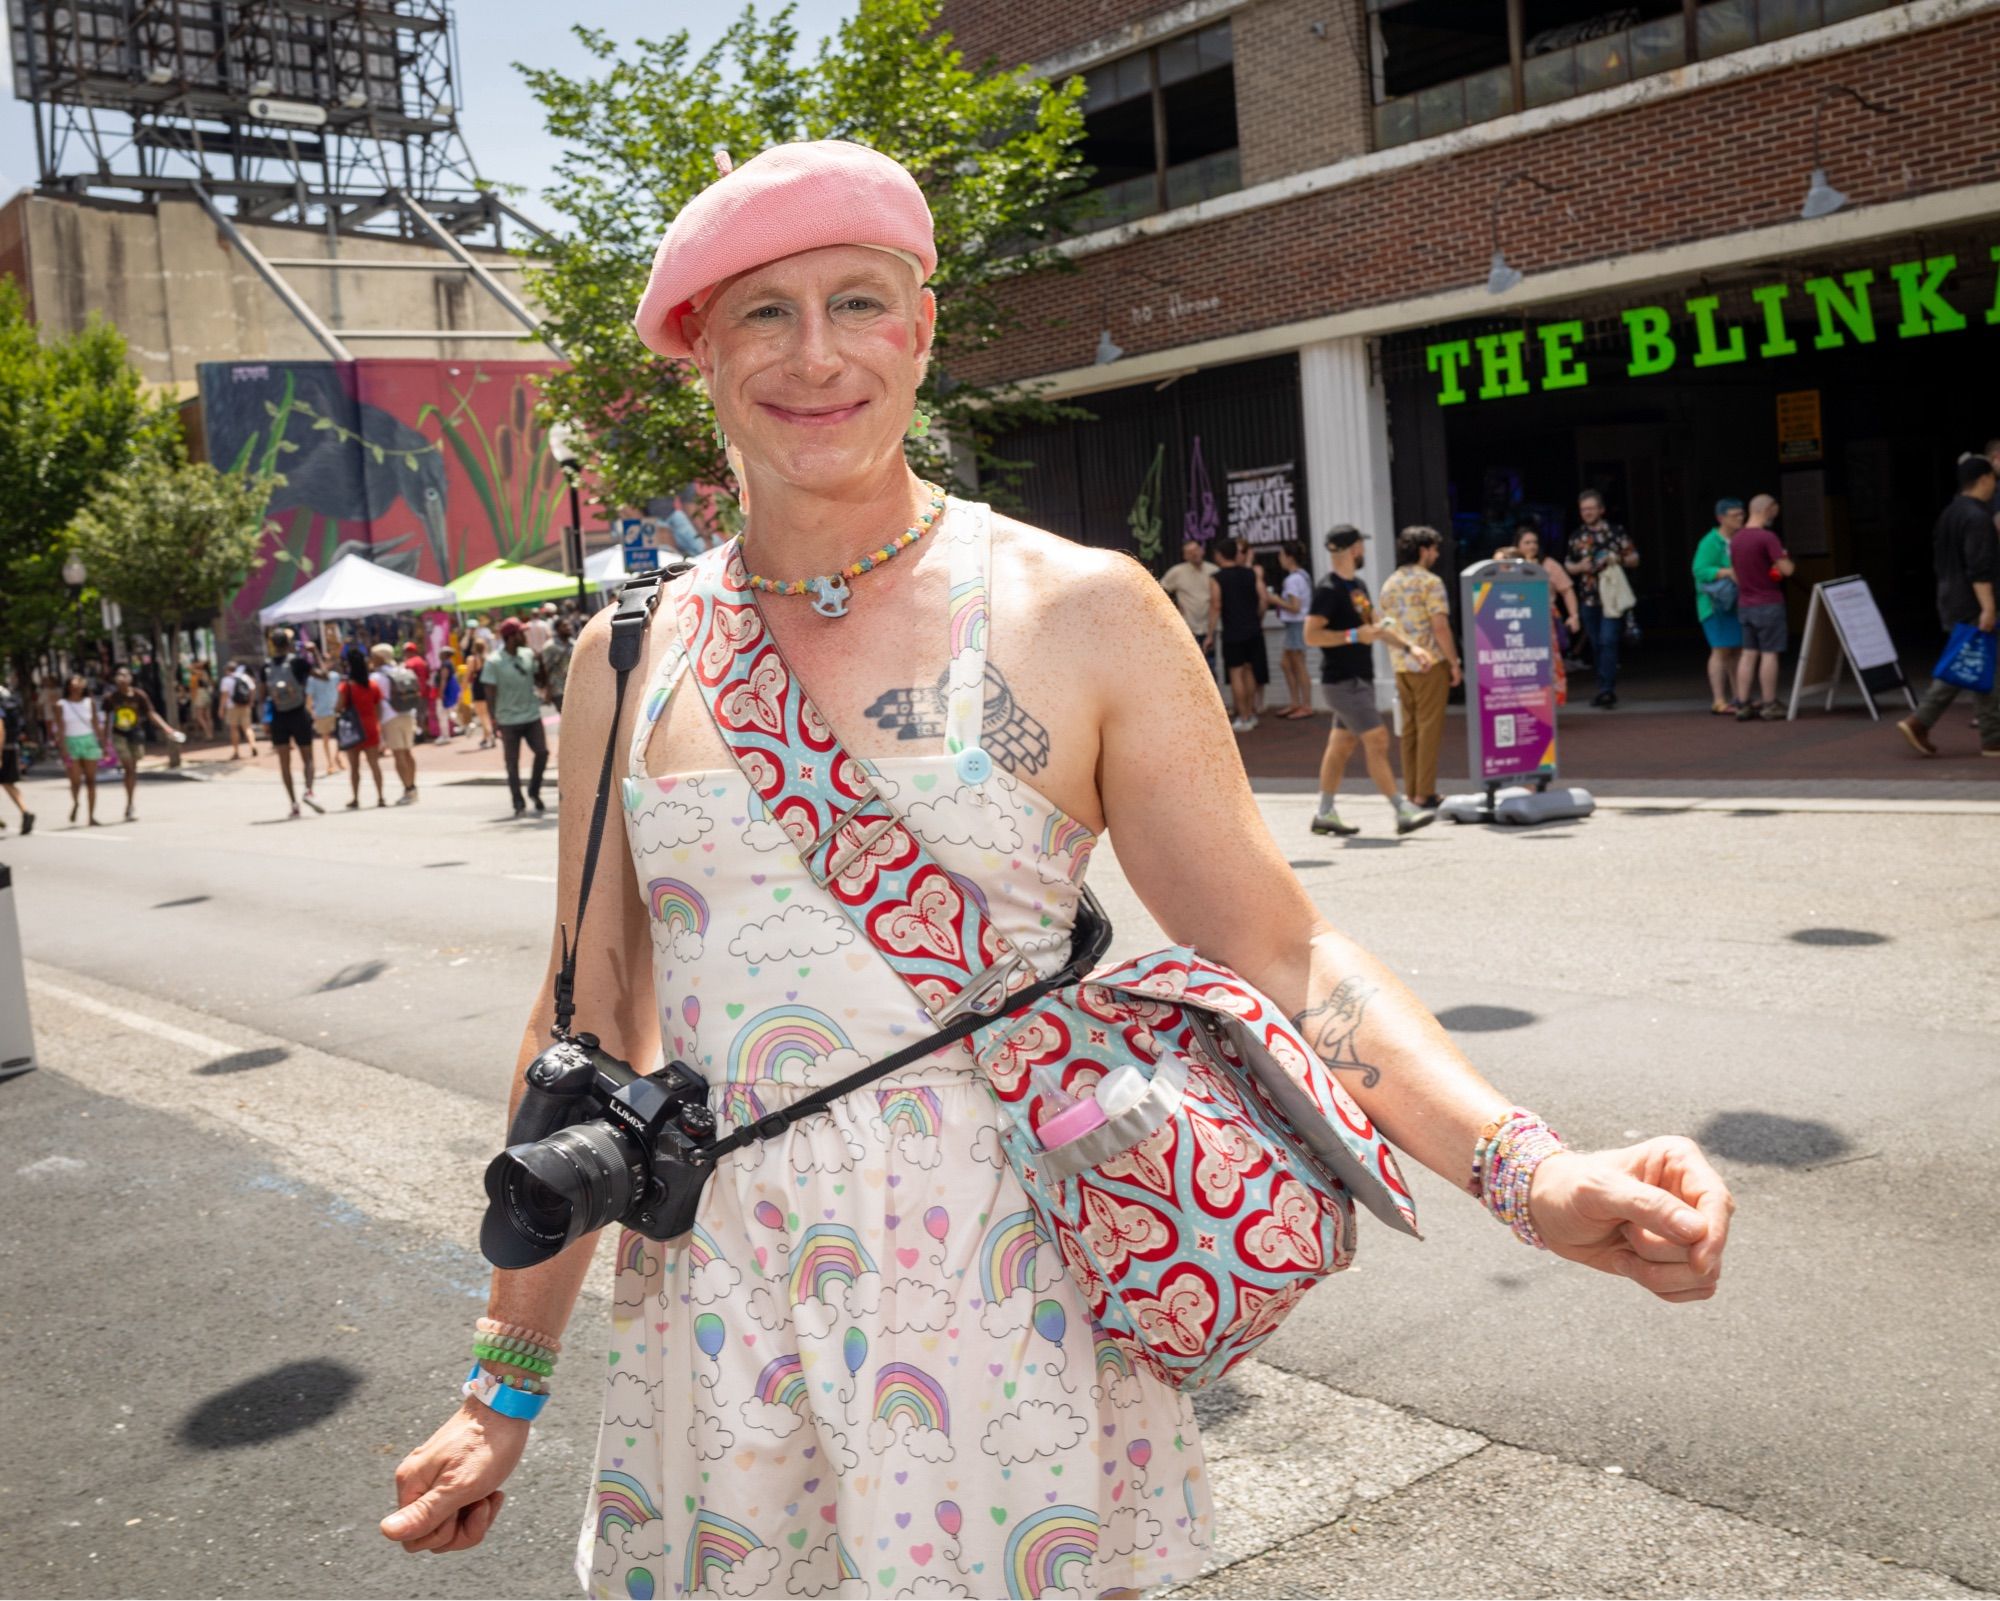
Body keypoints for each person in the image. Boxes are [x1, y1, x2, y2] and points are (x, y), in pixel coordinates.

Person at [379, 139, 1734, 1590]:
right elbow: (585, 1033)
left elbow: (1278, 950)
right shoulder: (625, 657)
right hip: (722, 1312)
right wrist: (500, 1385)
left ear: (923, 329)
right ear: (699, 349)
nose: (817, 352)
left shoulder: (1078, 611)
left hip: (1007, 1288)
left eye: (860, 301)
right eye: (763, 312)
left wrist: (1528, 1171)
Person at [1304, 526, 1437, 837]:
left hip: (1356, 679)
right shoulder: (1328, 590)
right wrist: (1352, 635)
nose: (1363, 551)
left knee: (1340, 746)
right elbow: (1311, 635)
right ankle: (1402, 810)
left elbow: (1375, 626)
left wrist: (1410, 647)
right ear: (1353, 549)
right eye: (1361, 545)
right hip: (1343, 682)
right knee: (1376, 739)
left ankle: (1325, 812)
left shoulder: (1356, 586)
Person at [1898, 453, 2000, 757]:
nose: (1995, 486)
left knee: (1973, 663)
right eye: (1994, 479)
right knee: (1979, 665)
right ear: (1983, 480)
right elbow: (1978, 567)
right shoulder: (1977, 518)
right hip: (1972, 602)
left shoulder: (1949, 514)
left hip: (1949, 598)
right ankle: (1925, 721)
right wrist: (1988, 607)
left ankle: (1987, 735)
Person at [1378, 526, 1460, 810]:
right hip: (1429, 663)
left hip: (1401, 664)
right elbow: (1440, 627)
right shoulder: (1431, 582)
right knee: (1429, 729)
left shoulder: (1389, 583)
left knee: (1409, 730)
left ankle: (1412, 791)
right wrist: (1454, 662)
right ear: (1423, 550)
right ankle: (1425, 793)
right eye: (1434, 549)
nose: (1436, 554)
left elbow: (1384, 625)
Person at [1565, 490, 1639, 708]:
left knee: (1608, 640)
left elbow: (1635, 558)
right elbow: (1568, 564)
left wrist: (1617, 559)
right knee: (1597, 644)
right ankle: (1603, 686)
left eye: (1591, 508)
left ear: (1601, 510)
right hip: (1588, 598)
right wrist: (1580, 567)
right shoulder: (1577, 536)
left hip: (1612, 598)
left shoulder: (1616, 533)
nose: (1587, 513)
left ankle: (1607, 690)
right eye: (1583, 509)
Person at [1728, 494, 1794, 722]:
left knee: (1748, 654)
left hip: (1745, 603)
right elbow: (1787, 570)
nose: (1775, 516)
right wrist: (1783, 559)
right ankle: (1769, 703)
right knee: (1769, 655)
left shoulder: (1736, 539)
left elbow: (1735, 573)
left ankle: (1742, 703)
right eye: (1775, 511)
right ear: (1767, 509)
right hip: (1769, 602)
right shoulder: (1768, 538)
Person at [482, 616, 549, 817]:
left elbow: (540, 680)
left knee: (542, 752)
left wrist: (541, 662)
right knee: (512, 763)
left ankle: (534, 791)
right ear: (511, 637)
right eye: (521, 632)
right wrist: (494, 721)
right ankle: (518, 802)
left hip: (531, 715)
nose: (525, 636)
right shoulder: (494, 662)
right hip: (508, 720)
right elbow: (489, 694)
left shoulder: (528, 654)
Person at [101, 665, 185, 822]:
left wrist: (167, 729)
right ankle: (130, 803)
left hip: (135, 734)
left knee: (132, 770)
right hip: (119, 735)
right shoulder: (111, 698)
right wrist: (105, 744)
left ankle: (130, 803)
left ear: (130, 678)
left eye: (125, 675)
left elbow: (151, 713)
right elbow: (106, 721)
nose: (122, 678)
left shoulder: (139, 695)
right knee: (127, 766)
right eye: (119, 675)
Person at [1209, 535, 1269, 730]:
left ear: (1219, 555)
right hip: (1253, 630)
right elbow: (1263, 600)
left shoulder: (1217, 578)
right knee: (1250, 671)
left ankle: (1242, 717)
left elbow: (1216, 605)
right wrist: (1257, 618)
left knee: (1236, 673)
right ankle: (1250, 714)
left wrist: (1210, 633)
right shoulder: (1251, 574)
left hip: (1233, 632)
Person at [262, 629, 323, 818]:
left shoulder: (266, 666)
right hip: (298, 714)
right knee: (308, 758)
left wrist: (265, 719)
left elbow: (262, 695)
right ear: (289, 643)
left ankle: (294, 804)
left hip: (278, 717)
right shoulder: (298, 662)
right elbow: (324, 675)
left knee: (284, 763)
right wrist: (315, 653)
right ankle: (308, 790)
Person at [1692, 499, 1745, 716]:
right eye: (1735, 515)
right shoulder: (1710, 542)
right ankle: (1719, 700)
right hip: (1714, 604)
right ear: (1721, 518)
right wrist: (1727, 572)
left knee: (1738, 649)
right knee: (1720, 650)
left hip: (1735, 603)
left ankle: (1740, 696)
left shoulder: (1740, 539)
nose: (1740, 518)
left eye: (1742, 514)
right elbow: (1699, 570)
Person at [336, 646, 387, 809]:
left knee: (354, 768)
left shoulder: (346, 687)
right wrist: (376, 724)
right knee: (374, 765)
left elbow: (338, 707)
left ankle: (356, 798)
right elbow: (379, 708)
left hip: (353, 730)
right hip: (371, 727)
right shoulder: (372, 685)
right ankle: (380, 797)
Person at [370, 642, 421, 804]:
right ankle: (412, 787)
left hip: (389, 717)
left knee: (398, 754)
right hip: (408, 713)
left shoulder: (376, 677)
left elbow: (374, 701)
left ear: (380, 658)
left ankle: (408, 789)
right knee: (408, 752)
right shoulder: (402, 670)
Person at [1273, 540, 1316, 718]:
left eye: (1282, 555)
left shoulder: (1292, 579)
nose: (1279, 559)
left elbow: (1295, 606)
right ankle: (1296, 702)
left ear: (1289, 557)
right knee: (1287, 663)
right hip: (1298, 624)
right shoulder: (1303, 575)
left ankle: (1304, 705)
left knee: (1298, 664)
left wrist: (1274, 600)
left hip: (1296, 624)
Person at [57, 674, 104, 826]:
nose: (77, 684)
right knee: (75, 781)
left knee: (91, 781)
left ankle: (91, 816)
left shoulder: (90, 702)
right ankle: (76, 802)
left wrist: (104, 744)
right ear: (68, 685)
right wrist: (63, 748)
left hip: (89, 741)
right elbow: (60, 728)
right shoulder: (60, 704)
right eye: (73, 681)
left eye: (79, 681)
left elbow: (96, 724)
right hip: (71, 743)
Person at [1159, 537, 1217, 660]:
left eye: (1196, 549)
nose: (1194, 554)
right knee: (1190, 665)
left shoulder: (1214, 571)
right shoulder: (1177, 572)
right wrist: (1174, 609)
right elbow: (1160, 591)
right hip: (1187, 629)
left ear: (1202, 551)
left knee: (1211, 668)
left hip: (1211, 628)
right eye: (1190, 552)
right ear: (1185, 556)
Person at [0, 679, 35, 835]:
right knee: (8, 782)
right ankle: (25, 811)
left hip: (2, 749)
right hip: (11, 746)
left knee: (7, 782)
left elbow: (0, 727)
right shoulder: (7, 699)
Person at [307, 651, 344, 774]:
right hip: (321, 711)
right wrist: (311, 712)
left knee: (341, 738)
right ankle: (330, 763)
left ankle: (337, 756)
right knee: (326, 738)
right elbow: (309, 697)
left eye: (328, 660)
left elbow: (340, 692)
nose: (326, 663)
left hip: (335, 710)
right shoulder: (312, 679)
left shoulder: (335, 676)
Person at [219, 658, 259, 757]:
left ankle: (236, 752)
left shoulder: (226, 680)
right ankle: (253, 745)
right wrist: (250, 702)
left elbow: (224, 696)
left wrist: (221, 708)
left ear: (227, 670)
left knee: (234, 729)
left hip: (232, 707)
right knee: (247, 728)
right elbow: (253, 690)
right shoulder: (245, 677)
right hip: (245, 706)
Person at [540, 617, 575, 716]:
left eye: (569, 625)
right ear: (557, 629)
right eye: (565, 626)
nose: (569, 627)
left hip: (575, 688)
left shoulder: (574, 643)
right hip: (559, 690)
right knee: (567, 718)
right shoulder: (550, 647)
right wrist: (547, 690)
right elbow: (545, 670)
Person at [466, 637, 496, 748]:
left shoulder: (472, 660)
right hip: (489, 688)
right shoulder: (489, 658)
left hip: (478, 689)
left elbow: (466, 676)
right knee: (487, 714)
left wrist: (462, 691)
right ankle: (485, 737)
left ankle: (491, 734)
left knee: (482, 716)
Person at [663, 487, 707, 558]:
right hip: (652, 523)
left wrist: (706, 538)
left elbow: (690, 505)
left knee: (717, 544)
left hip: (674, 518)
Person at [187, 657, 215, 741]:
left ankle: (208, 734)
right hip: (206, 694)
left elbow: (188, 667)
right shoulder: (206, 673)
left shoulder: (200, 672)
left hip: (200, 694)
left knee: (200, 716)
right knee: (207, 716)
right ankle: (210, 734)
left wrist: (200, 663)